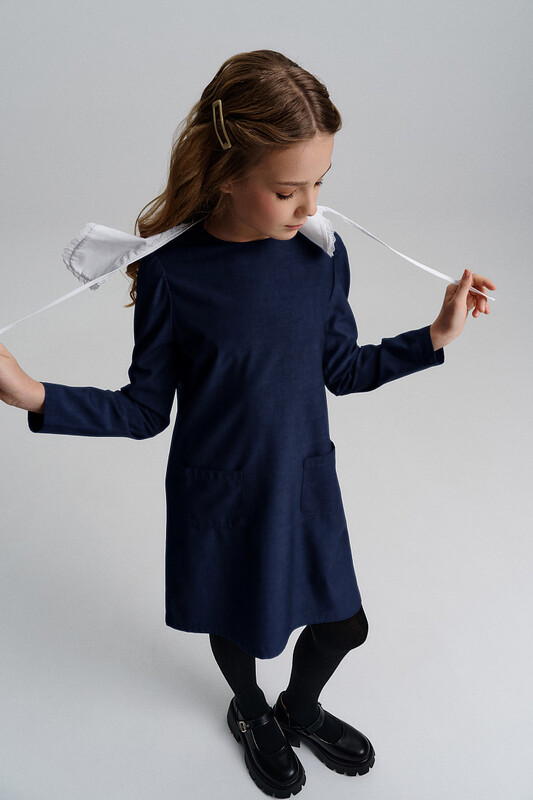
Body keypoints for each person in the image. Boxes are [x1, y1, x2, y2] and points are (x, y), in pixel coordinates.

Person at [0, 50, 496, 798]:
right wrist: (33, 394)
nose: (309, 206)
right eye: (287, 190)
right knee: (237, 622)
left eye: (320, 183)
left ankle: (299, 707)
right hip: (222, 493)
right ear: (226, 174)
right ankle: (253, 709)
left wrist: (433, 336)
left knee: (344, 625)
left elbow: (342, 369)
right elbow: (143, 410)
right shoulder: (172, 273)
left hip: (303, 484)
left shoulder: (321, 256)